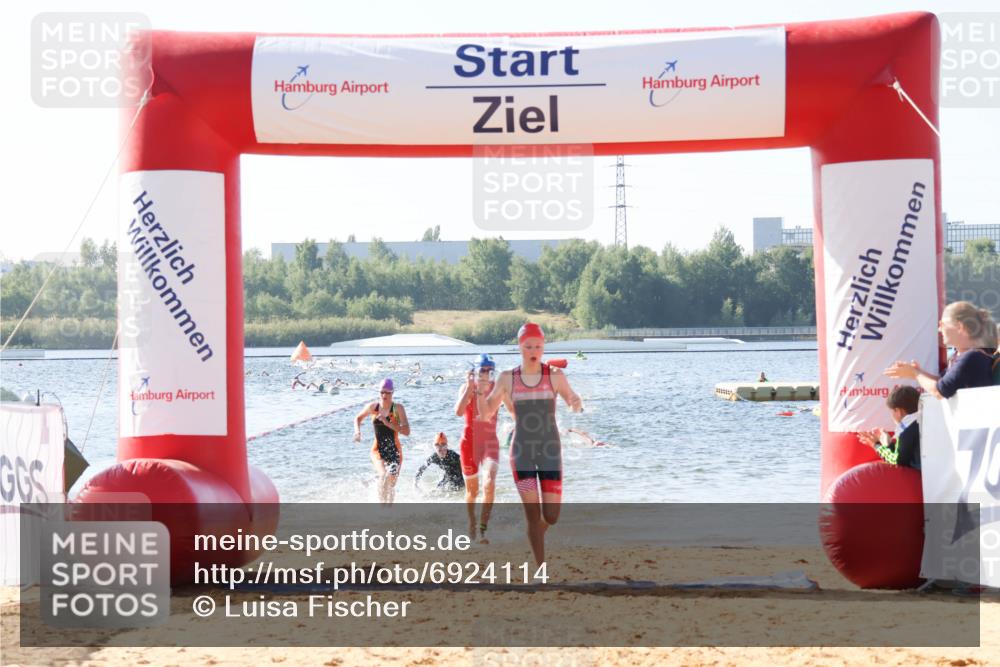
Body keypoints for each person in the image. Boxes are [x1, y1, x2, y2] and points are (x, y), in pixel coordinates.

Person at [476, 322, 583, 566]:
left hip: (550, 452)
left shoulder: (554, 376)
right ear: (520, 347)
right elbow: (486, 413)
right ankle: (541, 569)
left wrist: (577, 403)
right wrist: (481, 391)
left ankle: (538, 532)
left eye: (538, 346)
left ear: (543, 347)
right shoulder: (507, 378)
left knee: (552, 517)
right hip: (521, 453)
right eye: (528, 346)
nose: (534, 350)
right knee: (533, 517)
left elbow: (571, 400)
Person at [885, 301, 996, 398]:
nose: (939, 329)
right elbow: (942, 381)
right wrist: (917, 372)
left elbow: (940, 391)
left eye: (942, 324)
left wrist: (916, 374)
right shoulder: (963, 356)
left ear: (959, 327)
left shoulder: (971, 357)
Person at [454, 353, 501, 542]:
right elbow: (458, 412)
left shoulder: (497, 389)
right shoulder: (466, 388)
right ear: (475, 371)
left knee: (489, 483)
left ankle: (483, 528)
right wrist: (469, 389)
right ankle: (471, 522)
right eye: (483, 370)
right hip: (468, 444)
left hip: (489, 442)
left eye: (490, 370)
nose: (486, 374)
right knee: (472, 492)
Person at [353, 378, 410, 506]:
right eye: (381, 392)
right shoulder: (373, 407)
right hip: (377, 450)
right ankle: (381, 508)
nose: (384, 395)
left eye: (387, 393)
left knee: (390, 484)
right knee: (383, 474)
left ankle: (389, 510)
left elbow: (406, 431)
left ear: (392, 393)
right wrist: (357, 432)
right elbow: (358, 418)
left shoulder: (398, 409)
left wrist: (387, 423)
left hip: (395, 450)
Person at [858, 385, 921, 470]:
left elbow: (897, 462)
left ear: (898, 411)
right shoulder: (924, 422)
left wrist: (876, 445)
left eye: (892, 412)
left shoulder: (906, 431)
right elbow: (905, 455)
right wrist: (889, 444)